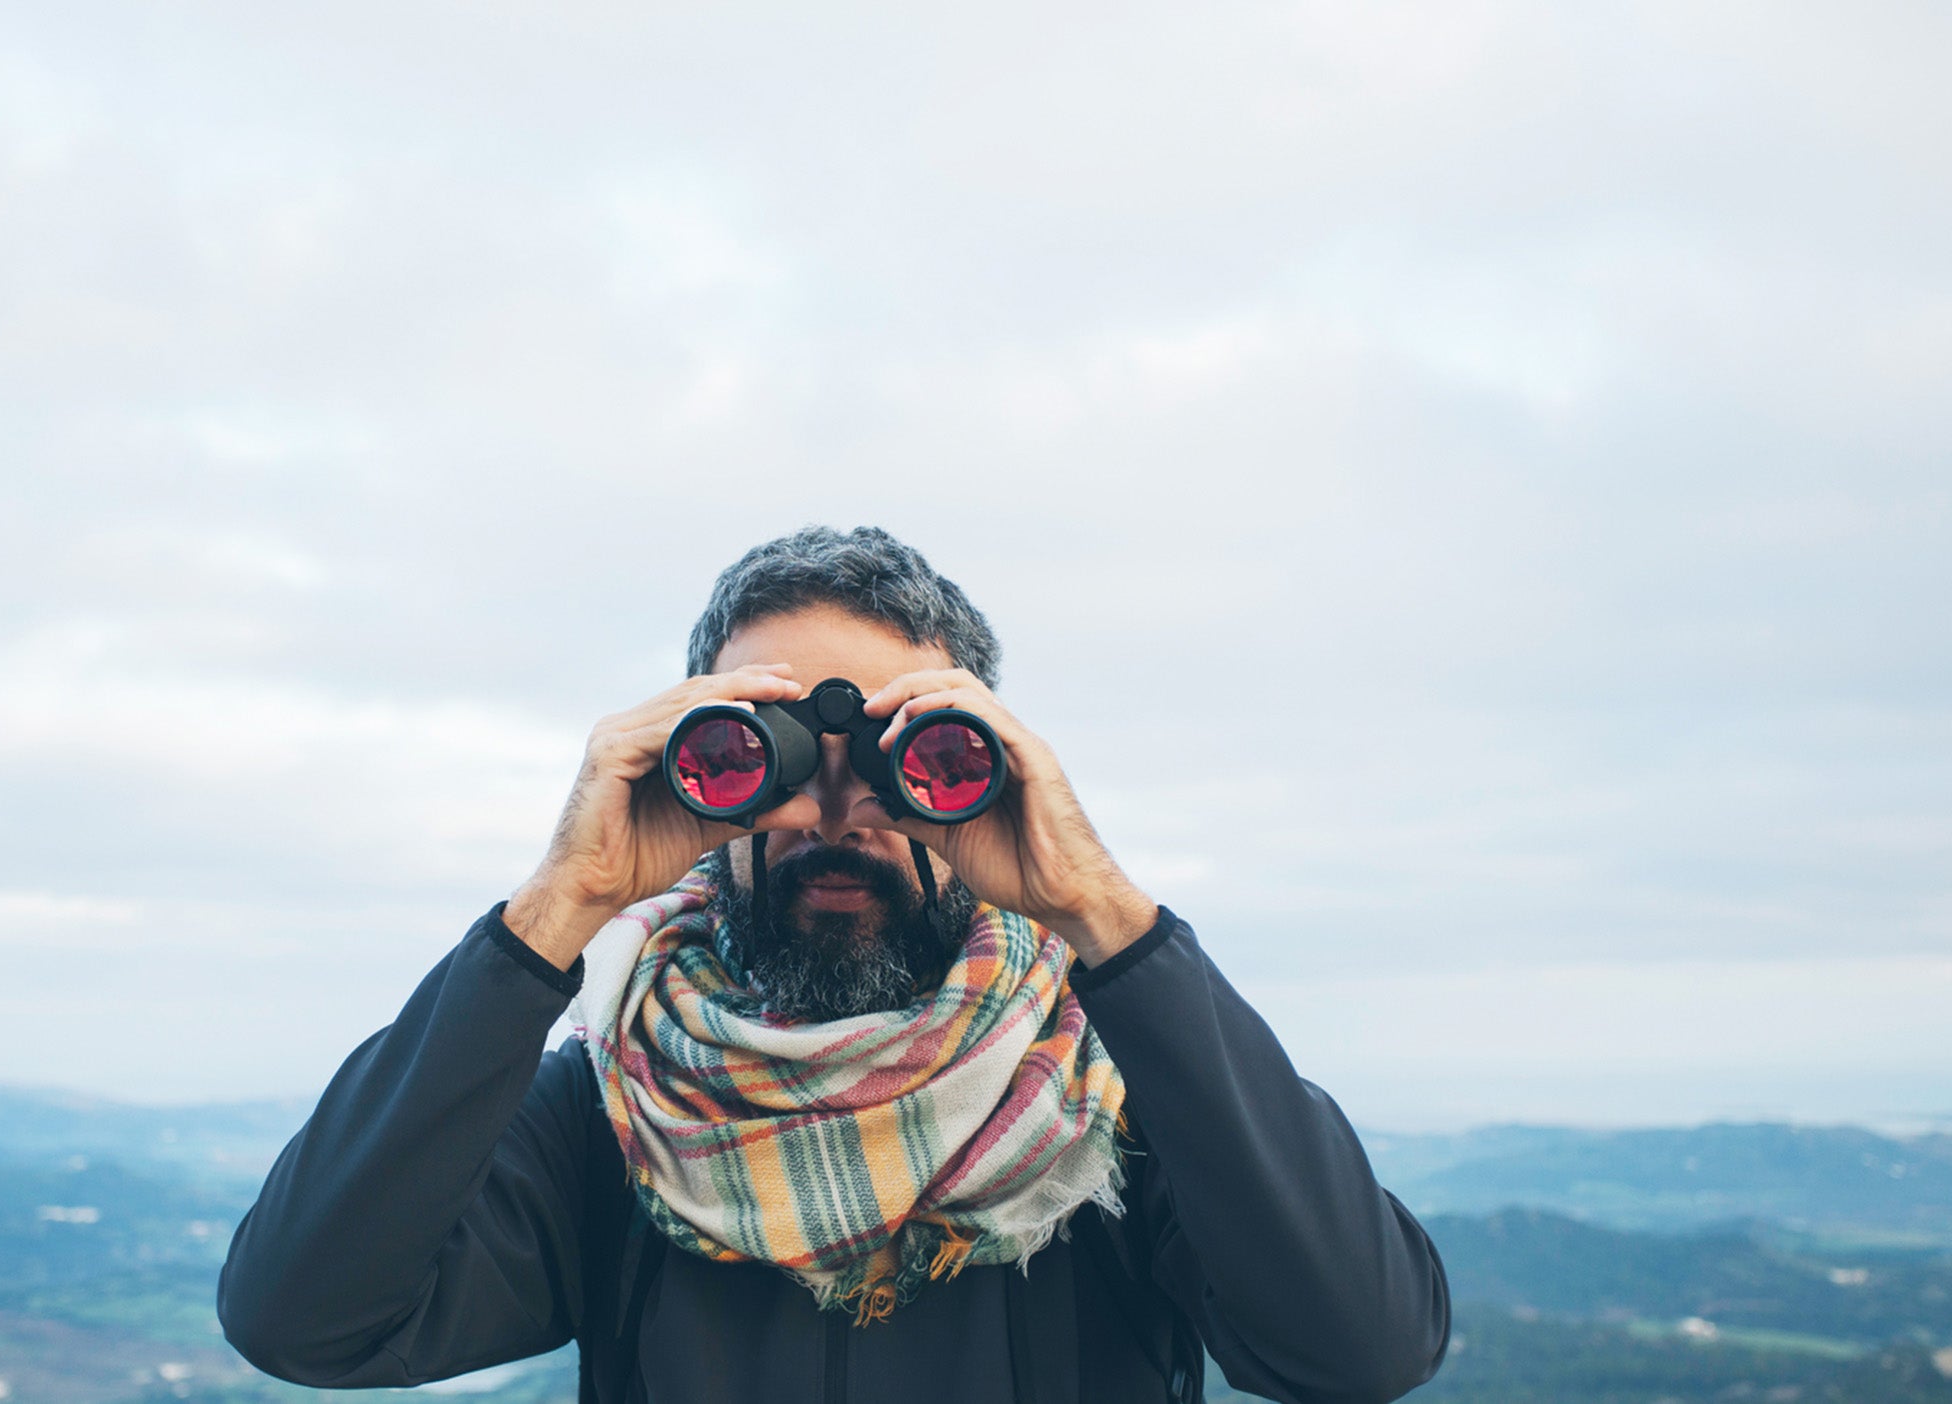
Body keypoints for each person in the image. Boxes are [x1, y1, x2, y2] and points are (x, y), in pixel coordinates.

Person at [217, 526, 1450, 1404]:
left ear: (988, 766)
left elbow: (1362, 1348)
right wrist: (562, 900)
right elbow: (306, 1318)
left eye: (916, 761)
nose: (840, 810)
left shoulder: (1115, 1097)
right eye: (784, 752)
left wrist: (1103, 913)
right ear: (700, 768)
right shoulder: (619, 1109)